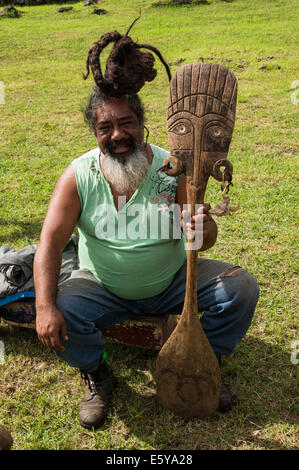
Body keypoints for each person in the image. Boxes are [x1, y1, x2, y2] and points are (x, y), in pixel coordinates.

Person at [33, 86, 259, 430]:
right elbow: (49, 243)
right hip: (101, 286)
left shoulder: (173, 168)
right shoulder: (78, 176)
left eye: (127, 123)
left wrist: (203, 226)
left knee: (239, 289)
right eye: (105, 128)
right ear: (95, 133)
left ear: (142, 125)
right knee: (58, 306)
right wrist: (44, 307)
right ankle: (97, 371)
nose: (118, 134)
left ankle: (201, 363)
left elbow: (204, 241)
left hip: (172, 282)